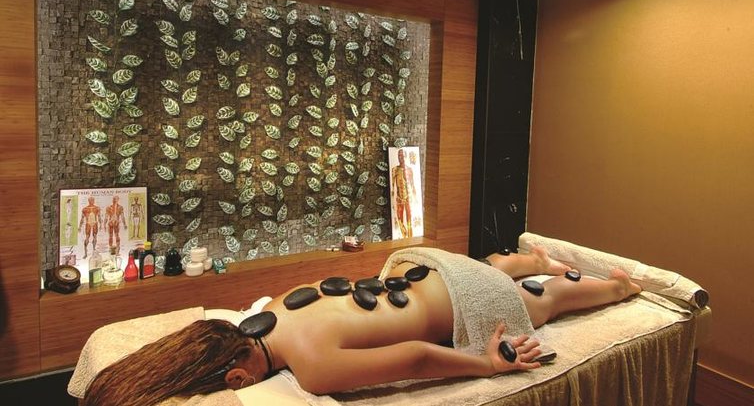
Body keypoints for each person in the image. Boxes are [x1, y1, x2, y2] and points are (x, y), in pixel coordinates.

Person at [82, 247, 641, 406]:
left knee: (544, 304)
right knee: (491, 267)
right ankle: (525, 260)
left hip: (467, 297)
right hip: (421, 265)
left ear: (236, 379)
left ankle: (619, 287)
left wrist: (487, 365)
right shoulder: (273, 306)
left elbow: (418, 357)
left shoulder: (314, 367)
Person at [391, 148, 417, 238]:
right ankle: (403, 236)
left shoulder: (409, 170)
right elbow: (392, 186)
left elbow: (412, 185)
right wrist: (393, 200)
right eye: (399, 155)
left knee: (410, 218)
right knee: (399, 218)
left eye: (402, 155)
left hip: (408, 198)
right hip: (399, 198)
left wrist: (416, 199)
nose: (400, 157)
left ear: (405, 156)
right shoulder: (395, 170)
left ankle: (410, 237)